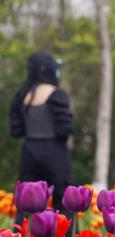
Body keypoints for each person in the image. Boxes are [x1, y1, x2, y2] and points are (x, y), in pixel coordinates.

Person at [9, 51, 74, 226]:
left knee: (27, 202)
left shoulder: (23, 95)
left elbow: (16, 131)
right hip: (54, 150)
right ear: (48, 69)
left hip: (29, 150)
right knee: (63, 200)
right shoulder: (56, 94)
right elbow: (64, 129)